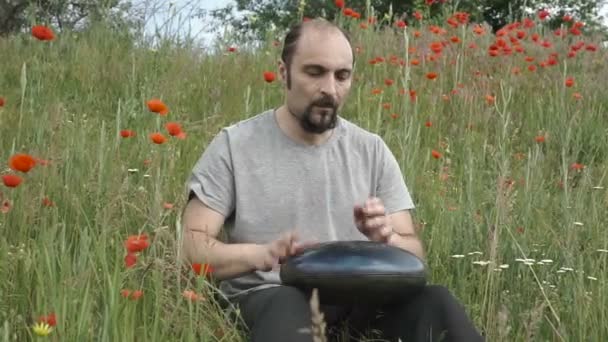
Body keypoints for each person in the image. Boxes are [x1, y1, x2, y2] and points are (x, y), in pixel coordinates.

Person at [180, 18, 484, 342]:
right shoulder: (234, 146)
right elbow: (190, 247)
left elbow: (414, 255)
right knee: (286, 305)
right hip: (272, 297)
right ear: (284, 72)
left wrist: (389, 240)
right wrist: (263, 254)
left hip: (362, 303)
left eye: (342, 76)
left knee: (436, 302)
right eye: (314, 72)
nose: (330, 89)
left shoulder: (372, 150)